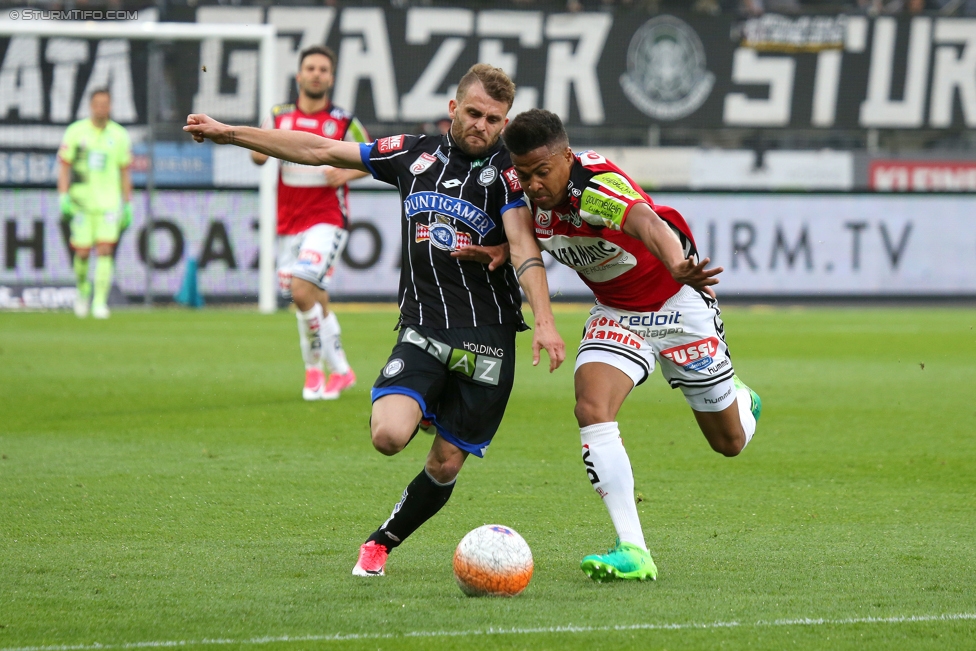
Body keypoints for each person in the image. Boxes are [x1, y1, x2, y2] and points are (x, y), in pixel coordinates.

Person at [185, 64, 565, 577]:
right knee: (387, 436)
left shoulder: (510, 173)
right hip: (424, 330)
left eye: (494, 119)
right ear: (454, 109)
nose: (482, 126)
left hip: (489, 340)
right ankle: (426, 401)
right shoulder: (413, 155)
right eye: (474, 113)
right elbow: (321, 150)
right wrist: (231, 133)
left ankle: (382, 542)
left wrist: (544, 320)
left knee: (445, 463)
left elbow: (524, 248)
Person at [500, 109, 761, 582]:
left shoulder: (595, 190)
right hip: (617, 313)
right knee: (591, 407)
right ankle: (633, 548)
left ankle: (744, 400)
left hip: (678, 303)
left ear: (566, 156)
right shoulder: (520, 190)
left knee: (730, 443)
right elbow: (531, 243)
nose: (533, 183)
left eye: (542, 172)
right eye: (524, 173)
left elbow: (646, 222)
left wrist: (678, 263)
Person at [251, 45, 370, 401]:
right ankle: (343, 370)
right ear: (299, 76)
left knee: (301, 291)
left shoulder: (344, 122)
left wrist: (347, 173)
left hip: (327, 219)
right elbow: (257, 156)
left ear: (330, 79)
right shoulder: (279, 116)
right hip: (289, 222)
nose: (316, 74)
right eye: (310, 68)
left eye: (323, 69)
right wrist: (262, 140)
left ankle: (314, 370)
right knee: (314, 299)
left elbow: (374, 159)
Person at [58, 89, 133, 319]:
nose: (101, 108)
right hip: (81, 202)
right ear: (91, 105)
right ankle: (83, 290)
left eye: (105, 104)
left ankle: (100, 302)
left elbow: (124, 171)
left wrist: (127, 202)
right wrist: (63, 195)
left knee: (105, 249)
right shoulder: (75, 131)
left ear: (110, 106)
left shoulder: (119, 135)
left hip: (109, 203)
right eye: (97, 103)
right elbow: (64, 166)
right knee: (81, 253)